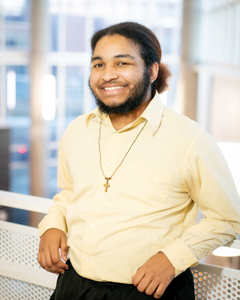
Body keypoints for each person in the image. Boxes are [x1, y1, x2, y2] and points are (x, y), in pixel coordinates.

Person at [38, 22, 240, 300]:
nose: (108, 75)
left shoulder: (190, 140)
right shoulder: (77, 130)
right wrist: (52, 224)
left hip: (150, 291)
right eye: (98, 65)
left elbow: (227, 219)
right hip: (73, 285)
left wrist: (173, 258)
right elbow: (69, 193)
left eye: (122, 63)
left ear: (152, 70)